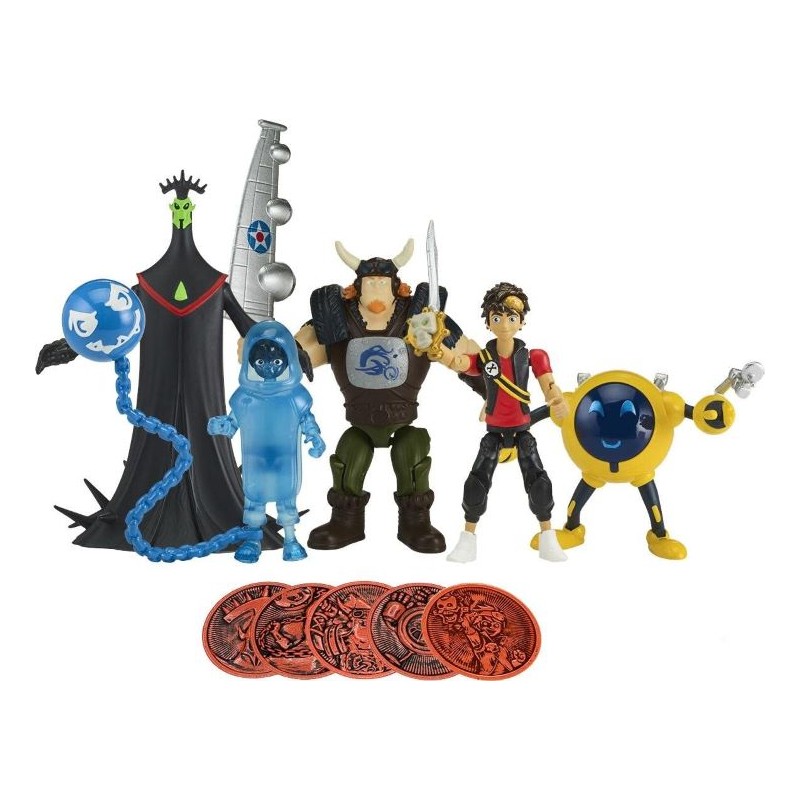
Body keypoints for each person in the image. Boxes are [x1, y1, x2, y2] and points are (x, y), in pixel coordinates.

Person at [408, 281, 568, 562]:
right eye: (497, 317)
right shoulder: (483, 357)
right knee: (477, 482)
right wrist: (438, 350)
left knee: (538, 480)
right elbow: (460, 363)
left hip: (522, 430)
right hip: (494, 431)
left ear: (521, 322)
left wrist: (557, 400)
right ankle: (467, 540)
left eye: (511, 317)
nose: (504, 324)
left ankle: (548, 536)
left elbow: (549, 385)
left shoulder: (533, 356)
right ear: (488, 322)